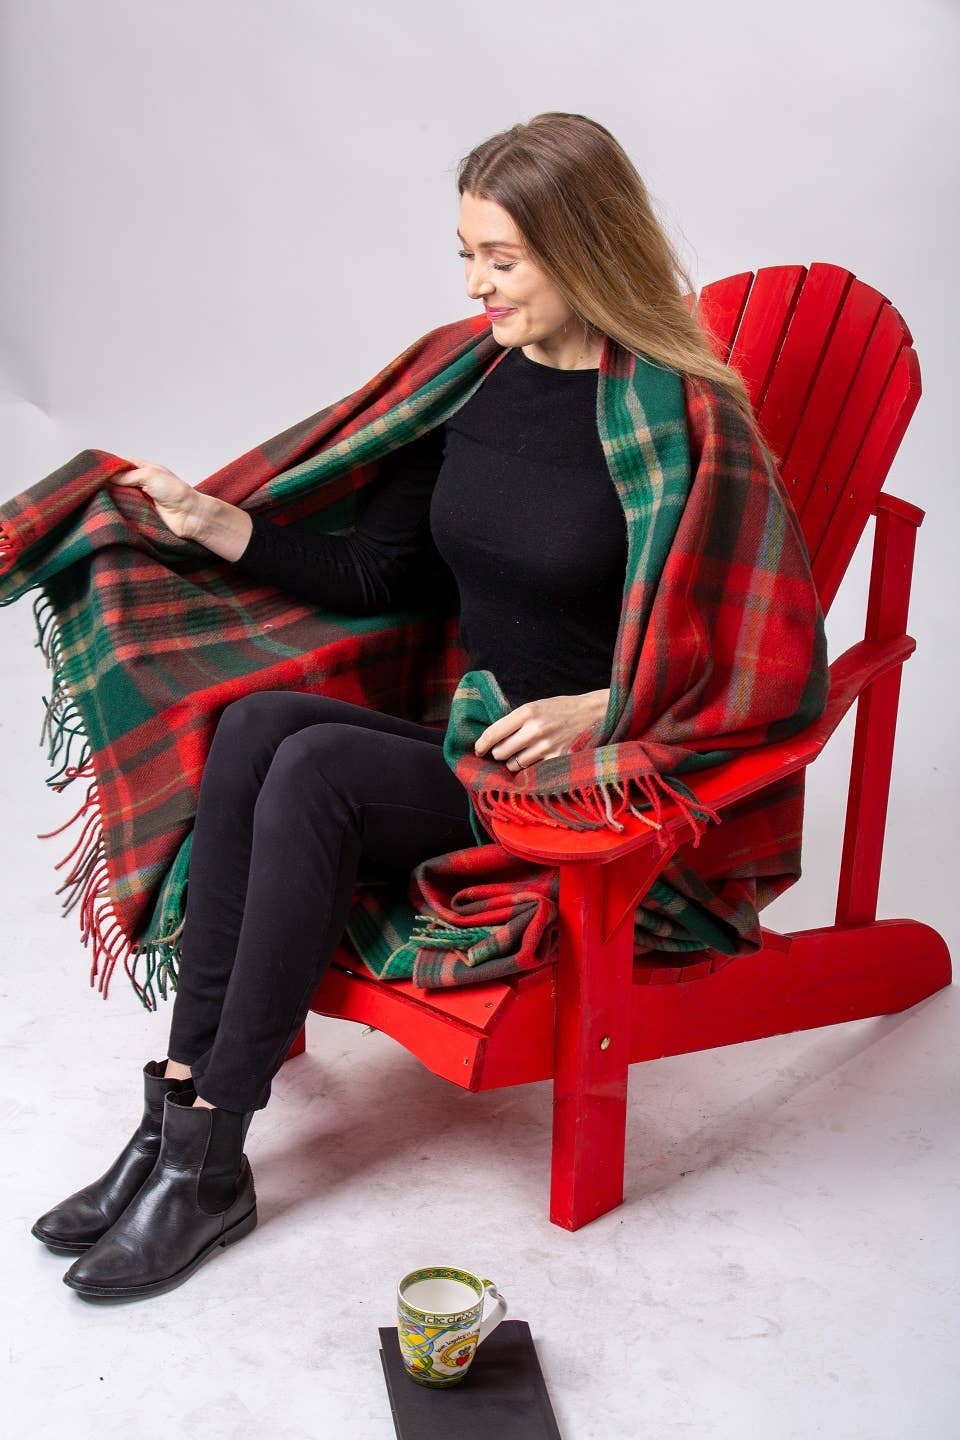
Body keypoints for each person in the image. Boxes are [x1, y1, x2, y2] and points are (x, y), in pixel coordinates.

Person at [30, 112, 771, 1301]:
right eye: (467, 252)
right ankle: (180, 1124)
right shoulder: (467, 382)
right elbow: (385, 577)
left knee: (315, 766)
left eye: (504, 259)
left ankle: (214, 1147)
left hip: (582, 784)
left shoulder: (681, 419)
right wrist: (222, 526)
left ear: (586, 249)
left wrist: (609, 709)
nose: (477, 283)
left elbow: (760, 653)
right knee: (262, 724)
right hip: (477, 746)